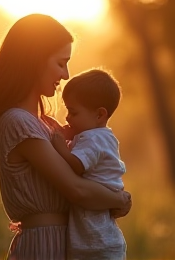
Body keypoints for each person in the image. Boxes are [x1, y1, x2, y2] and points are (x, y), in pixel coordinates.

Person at [0, 13, 131, 260]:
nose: (66, 75)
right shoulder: (18, 123)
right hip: (43, 246)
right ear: (34, 60)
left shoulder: (46, 125)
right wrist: (118, 199)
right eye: (61, 63)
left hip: (67, 242)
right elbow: (76, 189)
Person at [52, 68, 127, 260]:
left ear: (99, 115)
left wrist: (61, 146)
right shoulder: (99, 136)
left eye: (73, 112)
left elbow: (77, 165)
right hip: (100, 240)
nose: (67, 117)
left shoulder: (93, 139)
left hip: (98, 244)